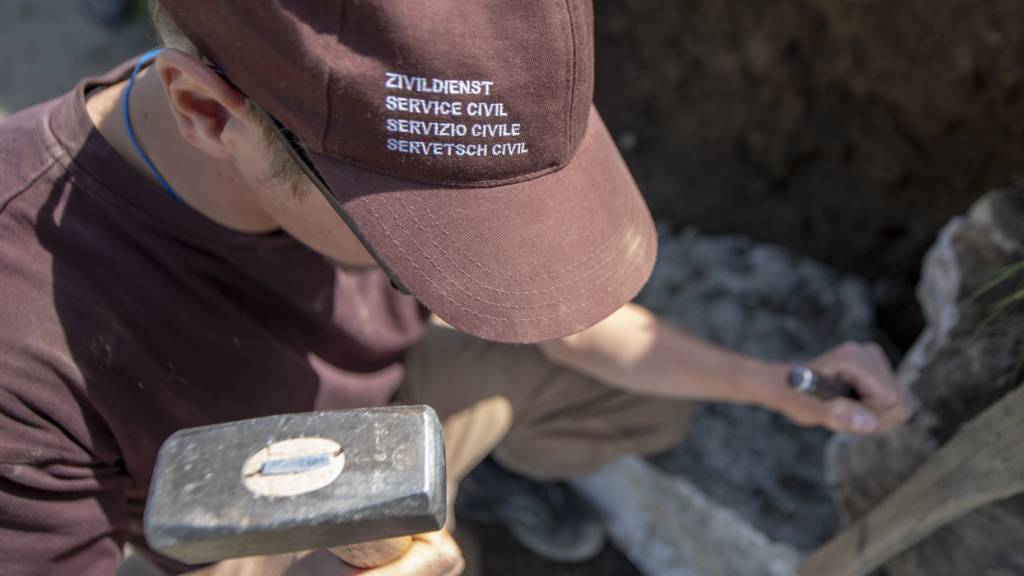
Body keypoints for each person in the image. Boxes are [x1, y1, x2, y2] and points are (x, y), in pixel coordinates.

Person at [0, 1, 913, 575]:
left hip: (383, 414)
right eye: (425, 235)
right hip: (242, 537)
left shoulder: (341, 128)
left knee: (626, 402)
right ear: (207, 113)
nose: (478, 270)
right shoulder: (22, 331)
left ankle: (470, 484)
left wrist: (773, 384)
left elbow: (582, 334)